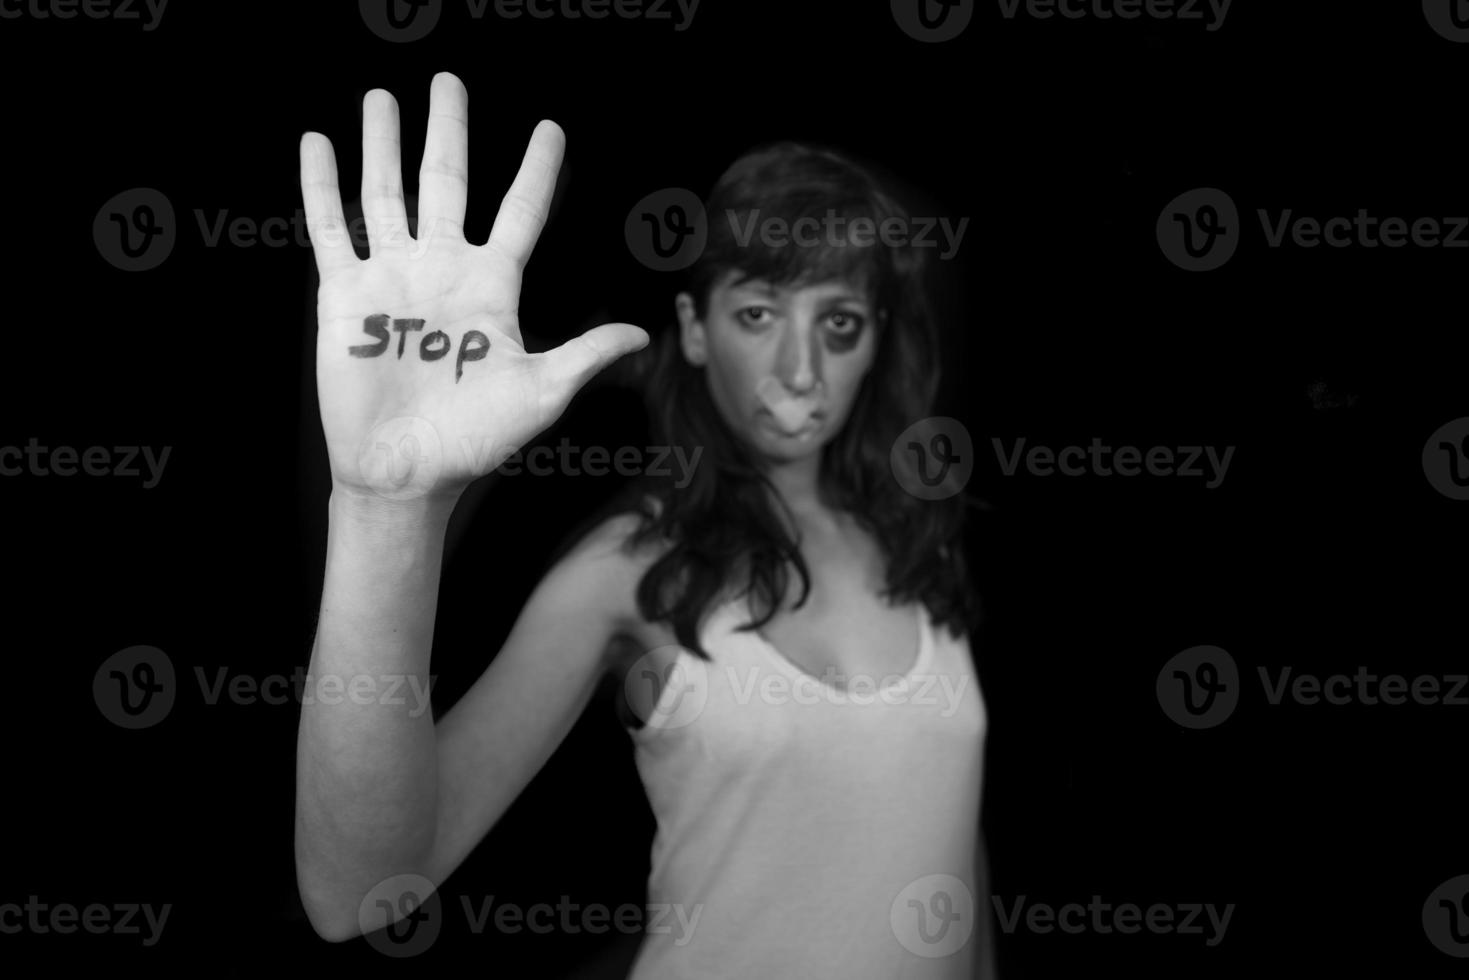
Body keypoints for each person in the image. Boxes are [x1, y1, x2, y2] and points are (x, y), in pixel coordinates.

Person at [294, 70, 995, 979]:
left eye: (840, 323)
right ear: (694, 330)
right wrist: (384, 509)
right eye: (756, 313)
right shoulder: (625, 572)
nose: (798, 368)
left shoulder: (914, 544)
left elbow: (947, 848)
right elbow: (360, 890)